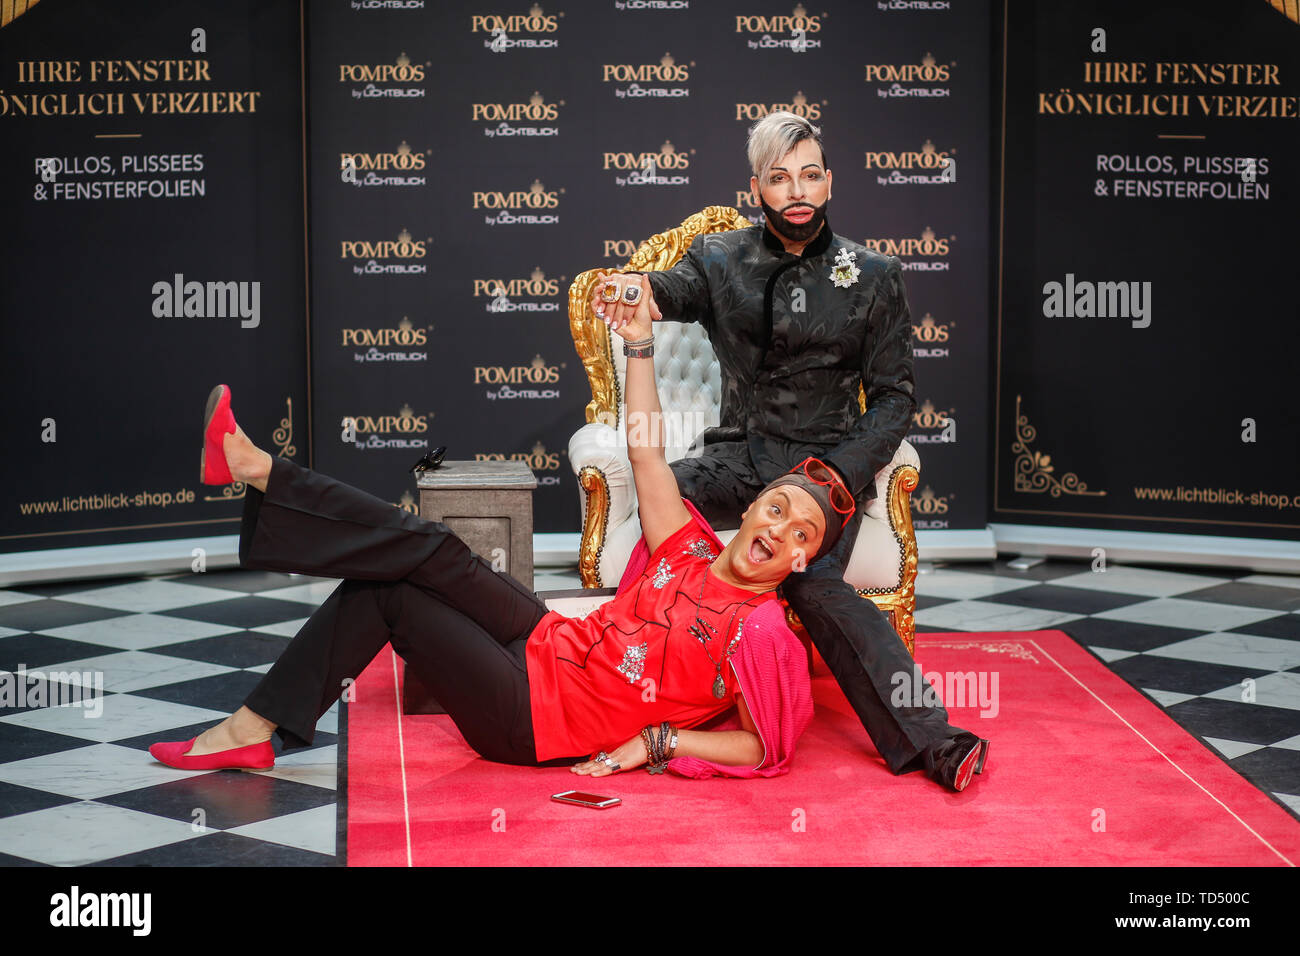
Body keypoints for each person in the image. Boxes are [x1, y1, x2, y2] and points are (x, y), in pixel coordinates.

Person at [150, 274, 833, 780]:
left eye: (803, 535)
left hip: (535, 719)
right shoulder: (687, 547)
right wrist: (640, 344)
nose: (783, 530)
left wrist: (662, 741)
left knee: (387, 593)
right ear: (749, 509)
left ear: (802, 561)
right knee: (433, 546)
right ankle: (263, 476)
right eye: (779, 508)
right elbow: (646, 450)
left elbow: (762, 744)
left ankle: (251, 715)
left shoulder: (764, 629)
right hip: (546, 640)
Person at [589, 111, 989, 791]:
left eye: (809, 175)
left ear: (828, 181)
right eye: (780, 178)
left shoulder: (874, 273)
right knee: (664, 503)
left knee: (810, 581)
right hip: (740, 453)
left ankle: (936, 740)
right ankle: (636, 680)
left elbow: (894, 398)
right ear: (758, 187)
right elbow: (667, 292)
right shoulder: (719, 258)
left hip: (822, 467)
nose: (797, 189)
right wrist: (635, 289)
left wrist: (841, 472)